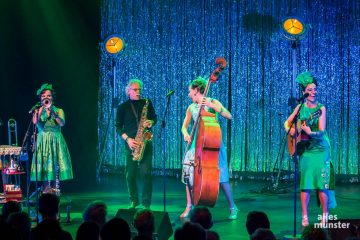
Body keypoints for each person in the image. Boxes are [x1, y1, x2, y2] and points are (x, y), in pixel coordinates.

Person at [181, 76, 238, 219]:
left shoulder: (212, 101)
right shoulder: (191, 107)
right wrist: (186, 134)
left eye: (190, 91)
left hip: (213, 145)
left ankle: (233, 207)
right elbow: (184, 126)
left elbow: (229, 116)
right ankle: (189, 205)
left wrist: (214, 107)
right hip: (196, 145)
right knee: (188, 174)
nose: (188, 94)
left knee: (222, 178)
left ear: (196, 90)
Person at [284, 72, 336, 227]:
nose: (314, 92)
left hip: (320, 148)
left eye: (315, 89)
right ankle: (304, 216)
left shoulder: (321, 108)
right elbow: (287, 124)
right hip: (305, 149)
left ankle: (324, 217)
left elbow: (320, 131)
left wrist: (309, 132)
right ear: (304, 92)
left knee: (321, 182)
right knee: (305, 183)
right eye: (310, 90)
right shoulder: (300, 107)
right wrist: (293, 131)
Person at [115, 79, 157, 209]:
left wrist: (151, 122)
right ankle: (134, 200)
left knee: (146, 174)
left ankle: (146, 203)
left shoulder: (147, 103)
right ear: (128, 91)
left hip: (145, 142)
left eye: (140, 89)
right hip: (131, 144)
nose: (138, 92)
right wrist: (127, 139)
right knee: (130, 174)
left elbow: (154, 117)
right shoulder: (122, 107)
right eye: (135, 90)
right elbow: (117, 126)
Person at [31, 83, 73, 194]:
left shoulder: (59, 110)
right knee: (45, 173)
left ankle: (55, 199)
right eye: (43, 96)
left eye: (49, 96)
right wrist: (40, 110)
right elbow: (35, 122)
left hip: (56, 142)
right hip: (43, 142)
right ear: (40, 98)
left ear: (53, 98)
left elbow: (62, 123)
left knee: (56, 174)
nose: (46, 98)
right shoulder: (38, 110)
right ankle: (45, 198)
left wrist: (53, 112)